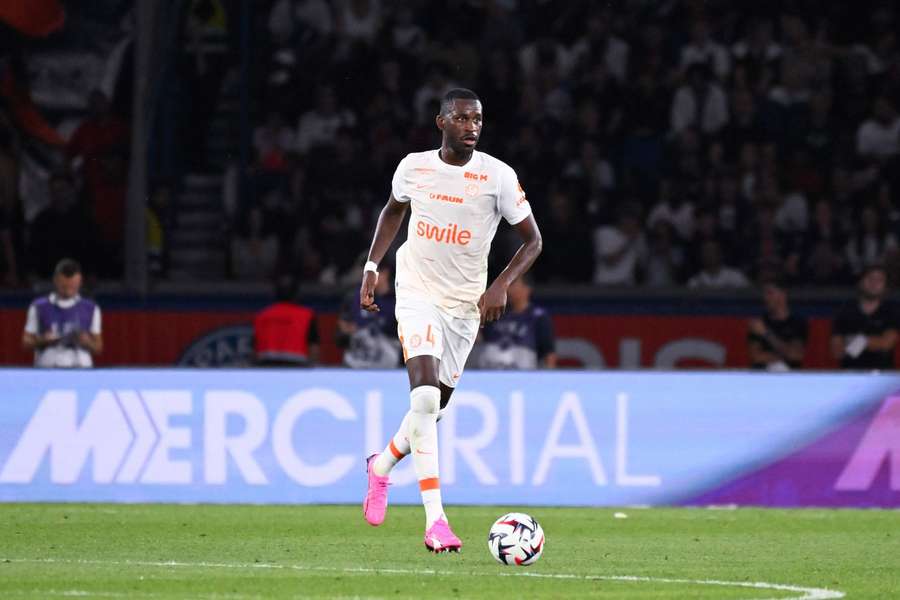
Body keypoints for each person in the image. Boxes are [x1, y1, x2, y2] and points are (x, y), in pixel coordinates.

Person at [360, 88, 541, 552]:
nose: (472, 126)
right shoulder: (413, 166)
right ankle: (436, 521)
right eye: (461, 118)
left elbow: (533, 240)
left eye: (477, 119)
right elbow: (392, 211)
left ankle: (380, 468)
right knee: (422, 397)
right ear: (441, 122)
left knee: (433, 410)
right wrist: (372, 266)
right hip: (417, 291)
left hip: (464, 307)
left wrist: (500, 284)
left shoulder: (497, 177)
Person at [22, 258, 102, 368]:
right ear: (56, 280)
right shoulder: (38, 306)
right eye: (64, 286)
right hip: (47, 369)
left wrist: (86, 341)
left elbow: (98, 347)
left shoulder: (91, 308)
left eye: (72, 285)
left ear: (79, 281)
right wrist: (43, 340)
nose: (68, 289)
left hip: (81, 369)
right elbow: (26, 342)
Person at [474, 274, 556, 369]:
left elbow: (549, 354)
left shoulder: (538, 317)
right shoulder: (496, 312)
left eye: (512, 284)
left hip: (521, 377)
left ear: (527, 289)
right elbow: (479, 338)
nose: (508, 289)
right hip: (488, 372)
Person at [830, 264, 899, 370]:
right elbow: (837, 352)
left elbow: (887, 343)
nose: (874, 283)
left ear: (885, 286)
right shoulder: (845, 310)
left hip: (882, 374)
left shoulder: (891, 311)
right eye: (870, 278)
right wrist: (873, 342)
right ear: (860, 282)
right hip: (850, 373)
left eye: (879, 280)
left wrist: (860, 341)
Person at [336, 263, 401, 369]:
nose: (366, 278)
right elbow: (340, 334)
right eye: (365, 274)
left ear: (385, 273)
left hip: (388, 360)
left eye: (371, 273)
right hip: (358, 359)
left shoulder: (398, 299)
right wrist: (348, 330)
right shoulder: (354, 298)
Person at [253, 275, 319, 366]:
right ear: (296, 294)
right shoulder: (307, 315)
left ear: (275, 293)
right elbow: (313, 349)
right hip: (297, 368)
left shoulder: (261, 315)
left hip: (266, 368)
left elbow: (254, 350)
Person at [746, 278, 807, 370]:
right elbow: (756, 357)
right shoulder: (759, 322)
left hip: (789, 377)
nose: (765, 298)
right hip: (762, 376)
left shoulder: (798, 322)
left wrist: (766, 333)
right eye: (765, 294)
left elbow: (795, 355)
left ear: (783, 295)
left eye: (770, 293)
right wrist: (784, 355)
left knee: (780, 367)